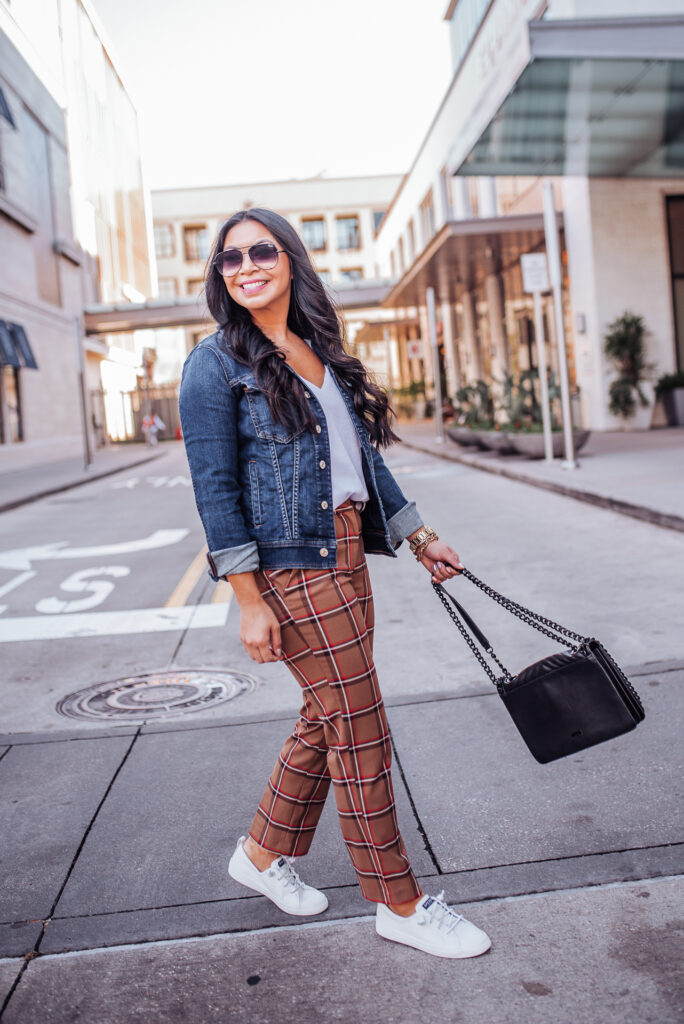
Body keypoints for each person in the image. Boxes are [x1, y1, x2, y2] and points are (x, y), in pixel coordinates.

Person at [178, 208, 491, 960]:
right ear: (220, 277)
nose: (246, 265)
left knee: (328, 716)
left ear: (289, 259)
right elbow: (215, 491)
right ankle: (399, 902)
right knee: (360, 725)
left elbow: (364, 464)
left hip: (346, 549)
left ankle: (258, 855)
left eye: (261, 250)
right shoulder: (214, 363)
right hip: (290, 566)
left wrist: (419, 535)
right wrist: (248, 601)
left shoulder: (315, 348)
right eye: (230, 259)